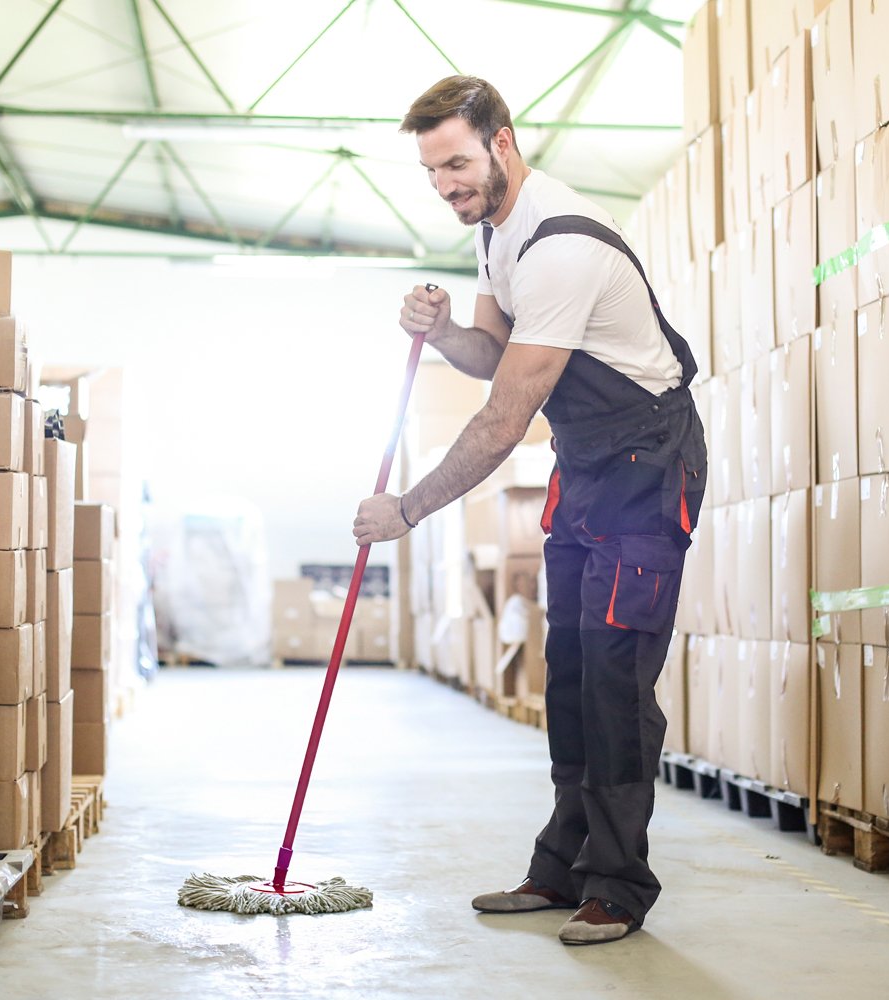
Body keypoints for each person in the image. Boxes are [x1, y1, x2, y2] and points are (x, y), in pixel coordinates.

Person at [351, 75, 707, 946]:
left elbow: (505, 417)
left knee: (619, 680)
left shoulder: (561, 246)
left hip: (647, 466)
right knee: (573, 674)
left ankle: (618, 888)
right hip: (586, 465)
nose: (447, 185)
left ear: (503, 141)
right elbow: (491, 354)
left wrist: (409, 508)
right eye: (433, 171)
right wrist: (440, 333)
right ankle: (560, 869)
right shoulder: (494, 232)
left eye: (459, 164)